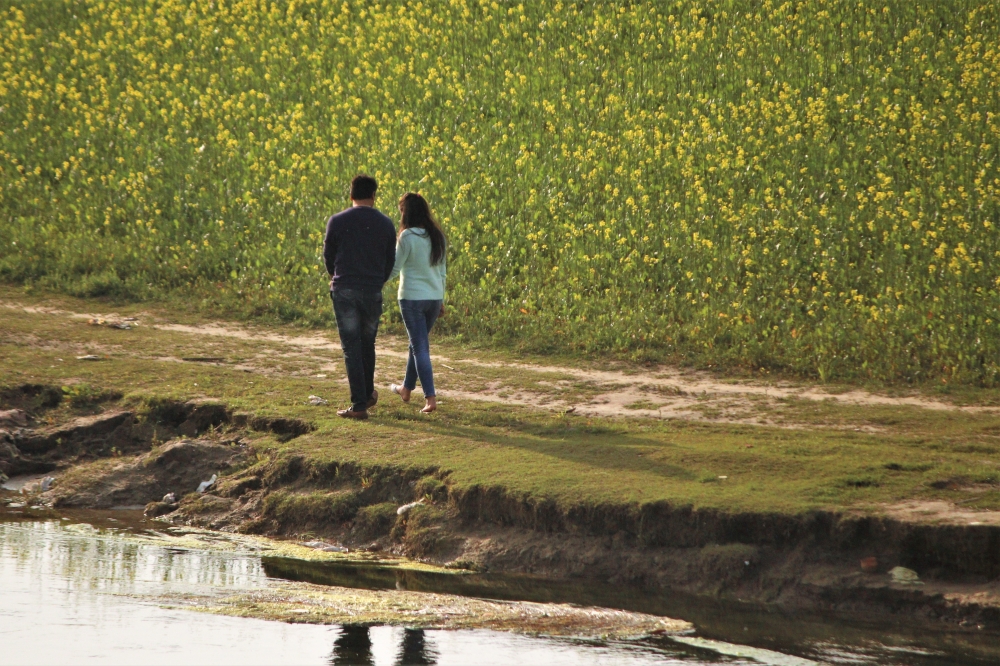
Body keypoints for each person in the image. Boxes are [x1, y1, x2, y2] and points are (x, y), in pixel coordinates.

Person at [323, 174, 397, 420]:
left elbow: (328, 256)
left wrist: (338, 277)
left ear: (351, 195)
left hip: (345, 289)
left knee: (351, 347)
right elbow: (389, 261)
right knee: (367, 344)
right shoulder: (386, 224)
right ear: (374, 196)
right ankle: (366, 395)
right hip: (372, 290)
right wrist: (377, 281)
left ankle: (359, 405)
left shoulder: (337, 221)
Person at [387, 192, 447, 414]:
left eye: (401, 210)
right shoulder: (437, 236)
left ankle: (430, 398)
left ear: (407, 212)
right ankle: (406, 388)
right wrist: (441, 299)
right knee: (416, 343)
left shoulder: (407, 237)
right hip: (433, 299)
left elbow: (394, 268)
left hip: (411, 299)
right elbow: (442, 272)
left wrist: (376, 279)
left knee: (420, 346)